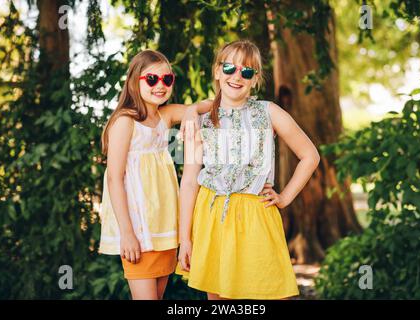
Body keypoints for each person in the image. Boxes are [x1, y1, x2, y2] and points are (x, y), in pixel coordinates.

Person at [177, 40, 320, 300]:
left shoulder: (269, 112)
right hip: (212, 214)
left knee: (269, 292)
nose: (237, 76)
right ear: (217, 71)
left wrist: (285, 197)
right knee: (220, 298)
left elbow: (310, 156)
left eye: (247, 72)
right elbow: (188, 182)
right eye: (230, 67)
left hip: (257, 213)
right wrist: (184, 238)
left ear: (255, 79)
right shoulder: (199, 120)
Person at [98, 49, 211, 300]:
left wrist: (192, 111)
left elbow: (211, 105)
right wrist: (127, 233)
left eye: (166, 79)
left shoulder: (164, 115)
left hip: (164, 227)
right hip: (139, 231)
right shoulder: (125, 122)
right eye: (151, 79)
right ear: (133, 81)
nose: (160, 85)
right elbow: (114, 178)